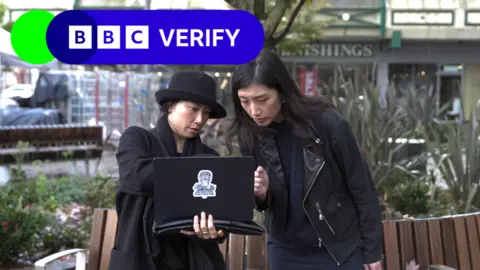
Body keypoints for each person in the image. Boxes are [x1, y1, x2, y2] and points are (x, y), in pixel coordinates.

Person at [225, 49, 383, 270]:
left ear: (281, 91)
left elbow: (362, 187)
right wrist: (262, 194)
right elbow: (262, 202)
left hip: (337, 246)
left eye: (262, 99)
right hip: (285, 248)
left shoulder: (326, 123)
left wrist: (372, 250)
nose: (254, 110)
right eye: (244, 101)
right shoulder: (250, 134)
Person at [109, 71, 228, 270]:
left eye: (206, 112)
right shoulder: (137, 139)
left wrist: (217, 231)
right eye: (193, 109)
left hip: (194, 260)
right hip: (140, 258)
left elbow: (217, 212)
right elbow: (136, 178)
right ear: (171, 105)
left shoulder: (210, 156)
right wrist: (195, 173)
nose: (200, 119)